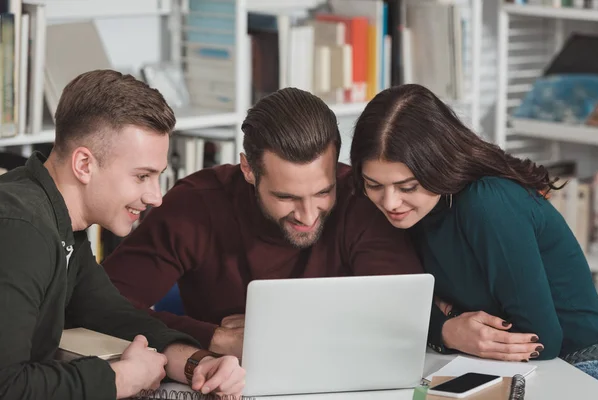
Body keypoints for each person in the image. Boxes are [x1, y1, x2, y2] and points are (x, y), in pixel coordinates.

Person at [103, 87, 423, 359]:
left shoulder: (361, 198)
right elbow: (104, 306)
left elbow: (400, 315)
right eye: (286, 197)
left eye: (323, 192)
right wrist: (218, 339)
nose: (309, 215)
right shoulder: (196, 205)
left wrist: (280, 327)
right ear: (249, 170)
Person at [0, 70, 245, 400]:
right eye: (142, 176)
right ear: (84, 164)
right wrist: (118, 379)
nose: (155, 197)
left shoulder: (60, 223)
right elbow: (7, 384)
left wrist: (197, 364)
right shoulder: (22, 229)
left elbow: (113, 315)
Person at [349, 84, 598, 379]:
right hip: (494, 363)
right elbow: (393, 306)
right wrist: (447, 329)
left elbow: (539, 342)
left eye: (408, 187)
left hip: (576, 363)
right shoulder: (409, 210)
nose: (389, 202)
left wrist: (446, 320)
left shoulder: (487, 203)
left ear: (439, 166)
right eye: (374, 185)